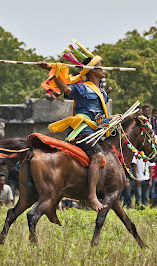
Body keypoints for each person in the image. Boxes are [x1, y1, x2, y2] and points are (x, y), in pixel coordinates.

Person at [38, 55, 111, 212]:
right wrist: (53, 71)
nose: (103, 68)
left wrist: (112, 118)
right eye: (100, 65)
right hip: (83, 129)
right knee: (97, 156)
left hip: (96, 130)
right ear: (92, 70)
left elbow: (99, 116)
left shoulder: (103, 94)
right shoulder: (82, 88)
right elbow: (65, 89)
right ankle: (91, 197)